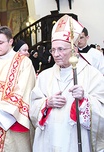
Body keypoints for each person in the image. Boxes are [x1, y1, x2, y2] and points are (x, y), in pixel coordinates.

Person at [29, 15, 104, 152]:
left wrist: (85, 99)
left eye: (61, 49)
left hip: (75, 141)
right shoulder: (45, 76)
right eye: (53, 50)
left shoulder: (92, 75)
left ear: (74, 50)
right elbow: (33, 107)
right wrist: (46, 103)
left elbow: (101, 111)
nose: (56, 54)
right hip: (48, 140)